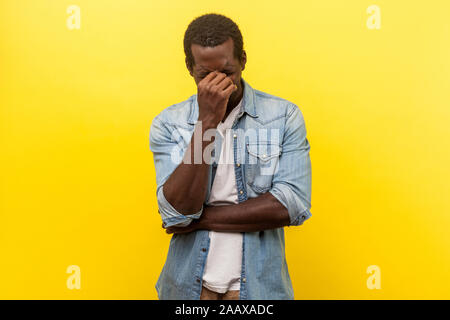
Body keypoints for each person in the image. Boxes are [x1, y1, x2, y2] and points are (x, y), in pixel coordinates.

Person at [149, 13, 312, 300]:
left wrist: (197, 220)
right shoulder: (169, 123)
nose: (217, 84)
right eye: (205, 75)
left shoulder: (284, 116)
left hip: (257, 291)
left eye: (227, 73)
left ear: (243, 61)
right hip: (189, 289)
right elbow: (176, 210)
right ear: (190, 67)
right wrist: (207, 122)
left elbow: (291, 204)